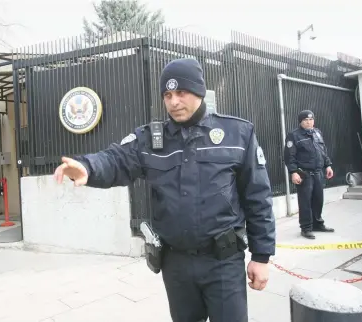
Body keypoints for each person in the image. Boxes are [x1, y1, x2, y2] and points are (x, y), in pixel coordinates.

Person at [54, 58, 276, 322]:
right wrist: (88, 167)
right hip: (176, 264)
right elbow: (117, 159)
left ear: (199, 92)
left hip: (223, 262)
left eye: (181, 92)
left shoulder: (237, 134)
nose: (173, 102)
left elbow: (257, 198)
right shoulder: (151, 139)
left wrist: (261, 256)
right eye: (167, 95)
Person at [283, 110, 335, 239]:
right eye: (306, 120)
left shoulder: (317, 133)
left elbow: (323, 151)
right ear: (300, 121)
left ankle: (317, 224)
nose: (309, 122)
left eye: (311, 119)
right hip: (304, 174)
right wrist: (293, 172)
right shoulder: (294, 136)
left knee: (318, 199)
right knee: (305, 201)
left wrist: (328, 165)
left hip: (318, 172)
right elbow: (289, 156)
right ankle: (306, 228)